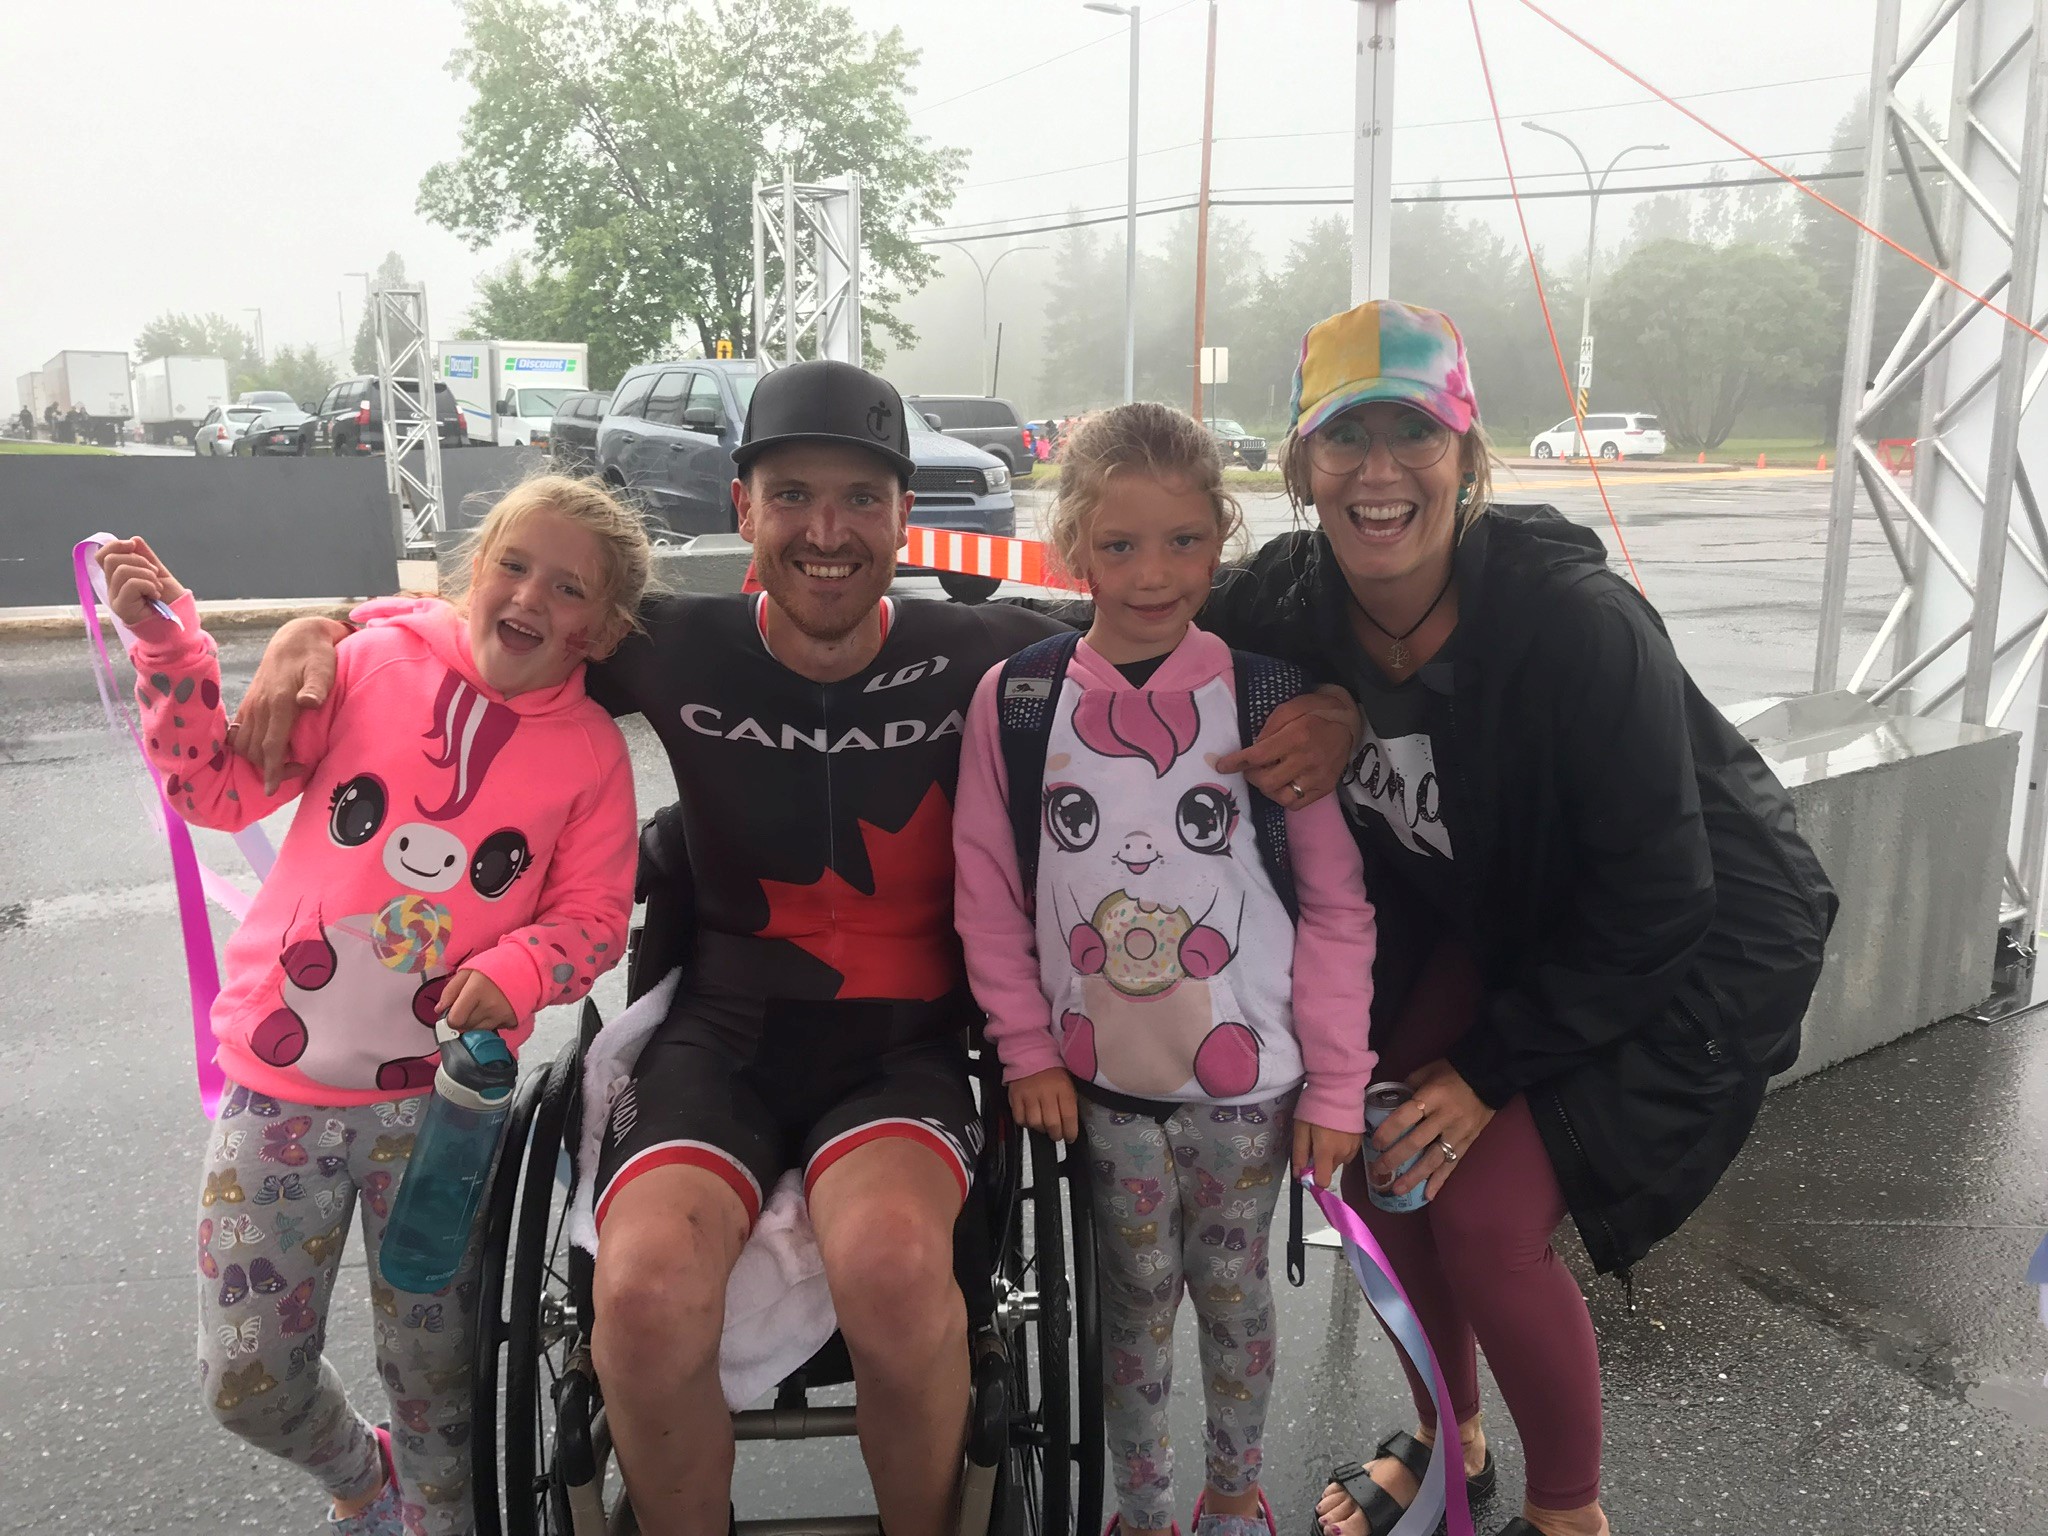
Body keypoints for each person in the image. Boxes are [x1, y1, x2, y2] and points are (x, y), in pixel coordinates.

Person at [236, 361, 1360, 1536]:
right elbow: (504, 621)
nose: (827, 531)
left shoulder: (980, 647)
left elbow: (1164, 609)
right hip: (718, 1033)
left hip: (902, 1043)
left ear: (898, 516)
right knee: (644, 1290)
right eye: (792, 496)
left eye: (860, 500)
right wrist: (327, 631)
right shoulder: (671, 642)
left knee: (888, 1262)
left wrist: (1333, 707)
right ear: (742, 511)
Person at [1186, 300, 1836, 1536]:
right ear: (1297, 468)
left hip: (1691, 940)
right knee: (1377, 1152)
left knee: (1484, 1221)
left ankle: (1568, 1514)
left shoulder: (1576, 628)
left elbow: (1661, 895)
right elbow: (1127, 638)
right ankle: (1450, 1441)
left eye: (1413, 435)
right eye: (1343, 438)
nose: (1378, 472)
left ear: (1467, 458)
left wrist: (1485, 1072)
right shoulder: (1285, 602)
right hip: (1506, 923)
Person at [97, 474, 649, 1536]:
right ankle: (362, 1477)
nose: (531, 595)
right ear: (473, 571)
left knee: (441, 1389)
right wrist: (173, 655)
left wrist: (524, 969)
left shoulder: (588, 759)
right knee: (244, 1384)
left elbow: (591, 919)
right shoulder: (364, 663)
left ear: (605, 627)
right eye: (514, 564)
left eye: (569, 587)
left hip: (442, 1116)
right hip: (277, 1095)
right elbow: (214, 792)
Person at [953, 403, 1379, 1536]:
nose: (1154, 574)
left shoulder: (1265, 701)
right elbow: (988, 894)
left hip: (1249, 1092)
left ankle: (1231, 1501)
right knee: (1134, 1307)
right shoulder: (1023, 702)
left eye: (1185, 542)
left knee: (1234, 1301)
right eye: (1122, 546)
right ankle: (1139, 1515)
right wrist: (1026, 1048)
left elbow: (1335, 909)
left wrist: (1337, 1086)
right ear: (1073, 549)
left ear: (1218, 539)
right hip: (1099, 1091)